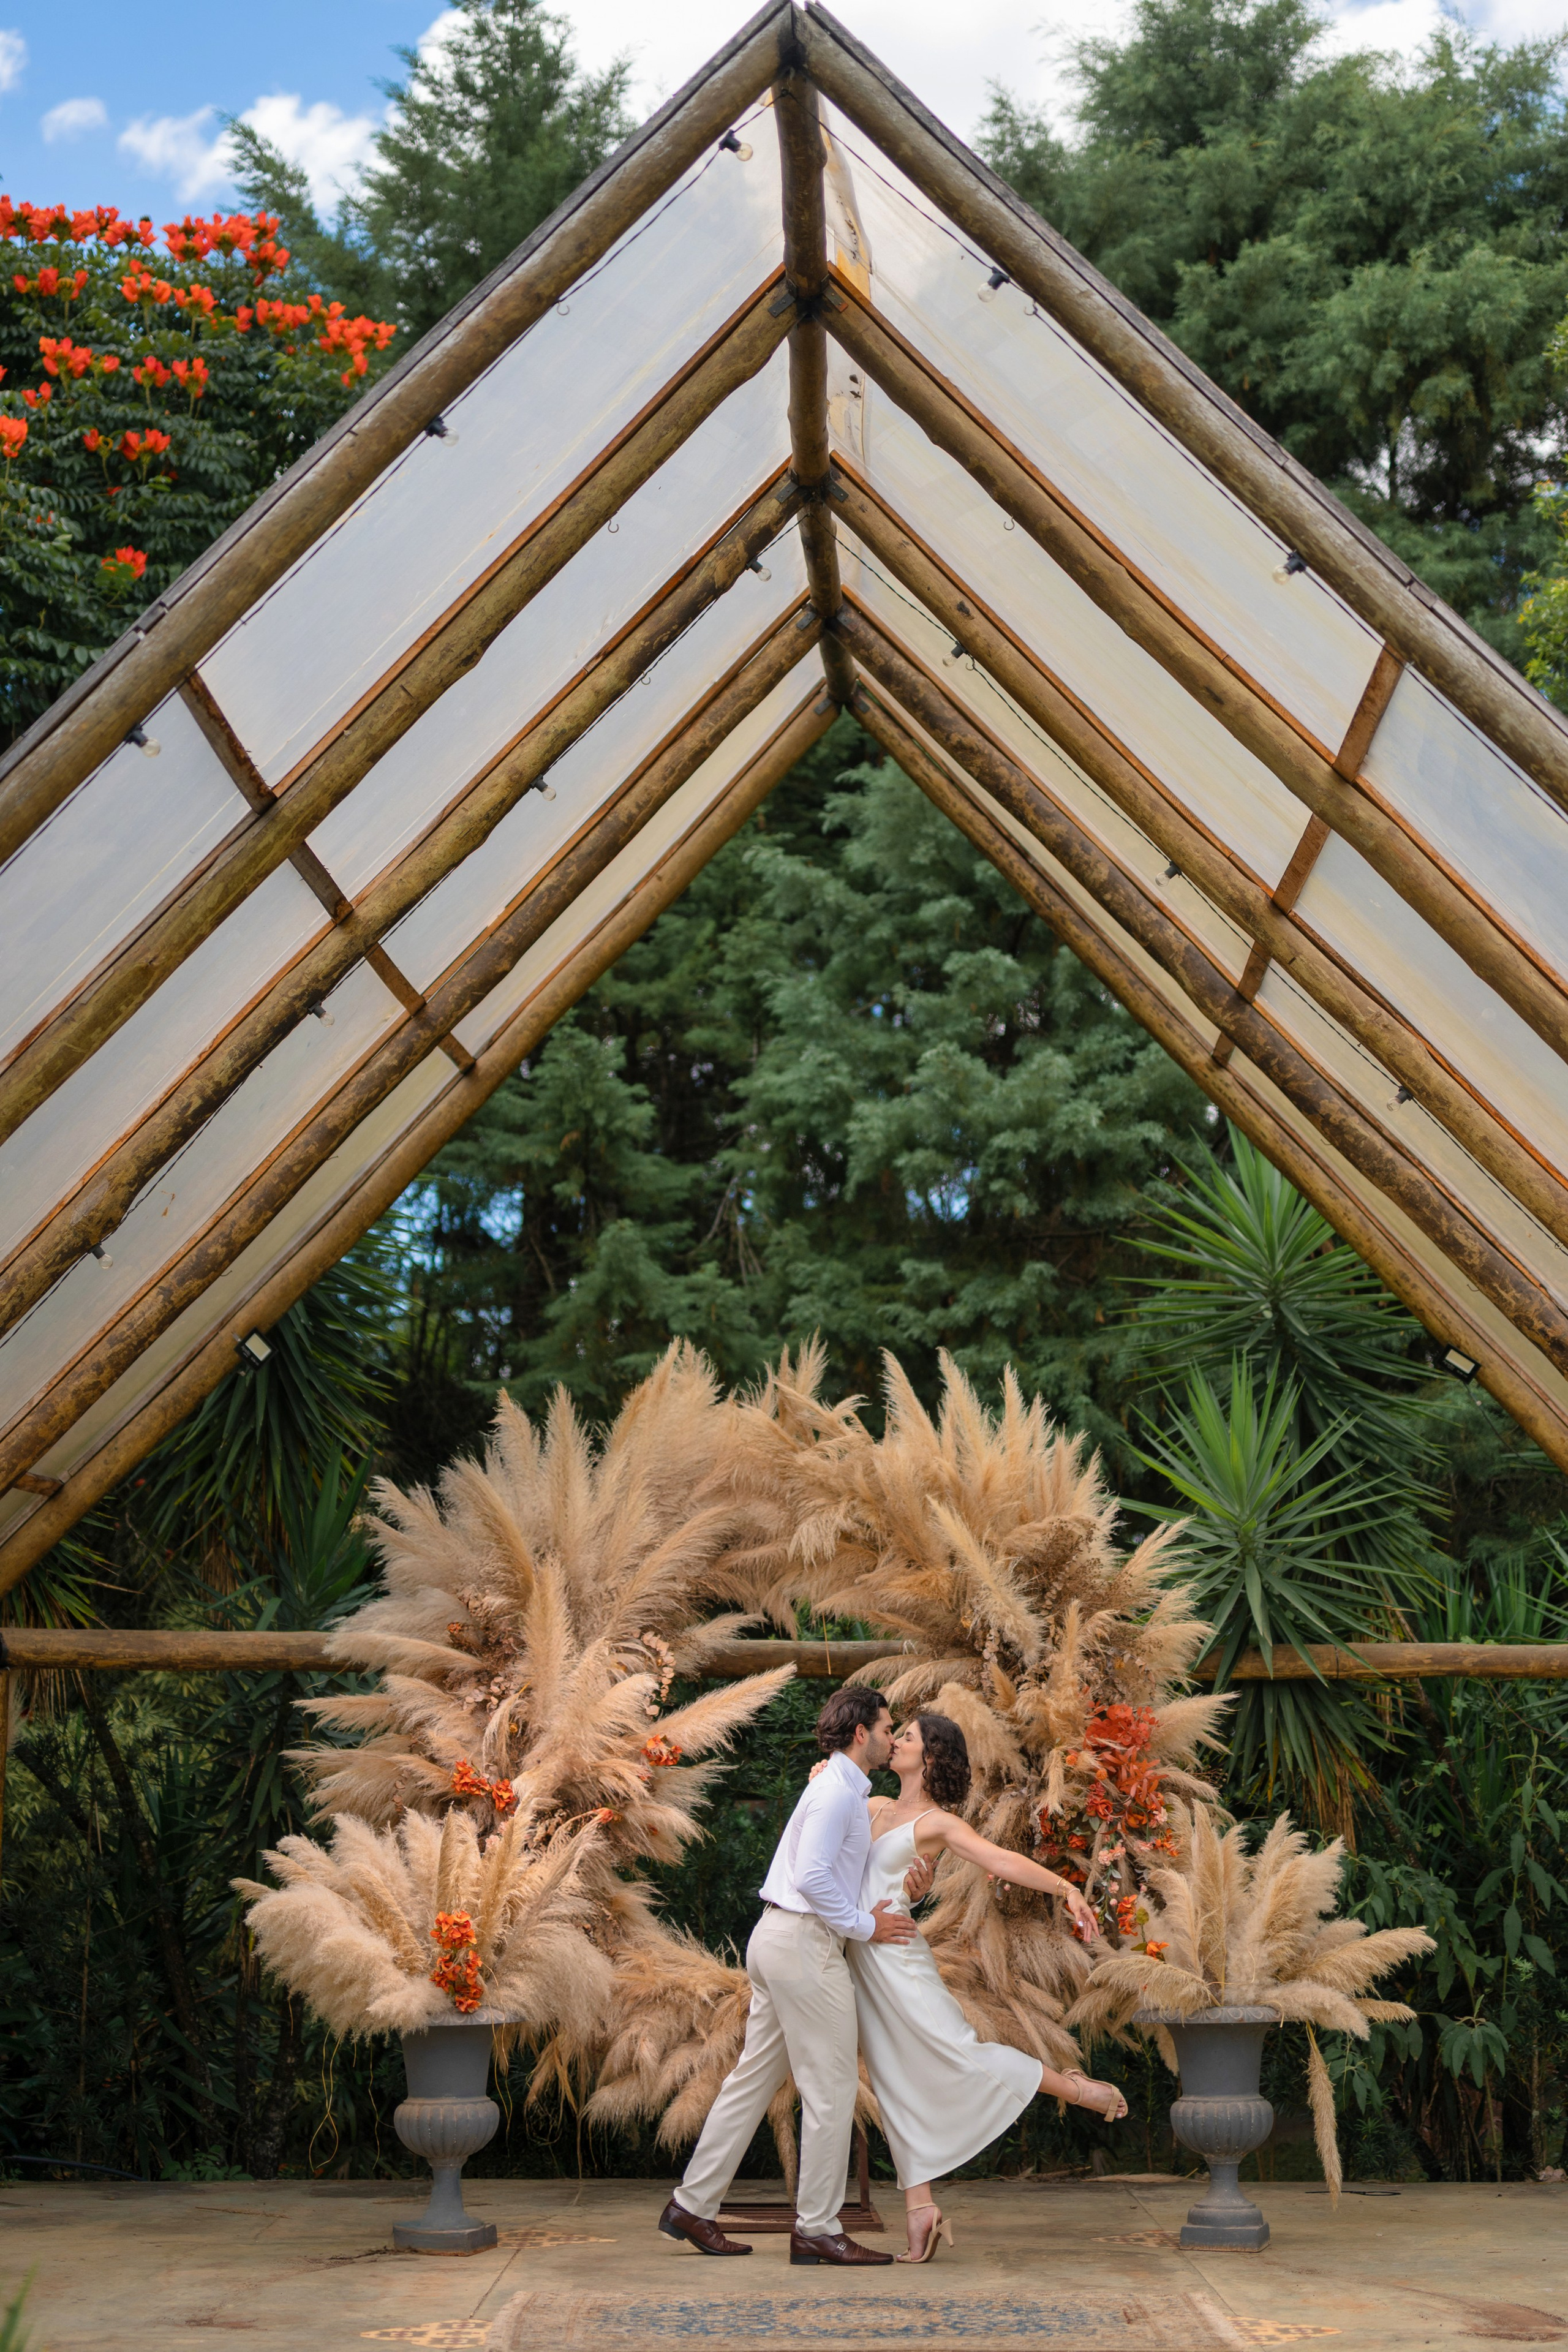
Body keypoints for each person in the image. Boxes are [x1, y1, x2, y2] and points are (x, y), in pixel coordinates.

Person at [839, 1710, 1129, 2263]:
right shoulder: (870, 1806)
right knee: (894, 2081)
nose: (894, 1741)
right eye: (895, 1733)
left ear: (930, 1757)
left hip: (899, 1961)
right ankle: (920, 2210)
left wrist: (1065, 1888)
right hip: (860, 1960)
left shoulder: (938, 1824)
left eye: (907, 1737)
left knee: (960, 2053)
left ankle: (1077, 2091)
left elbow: (999, 1860)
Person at [657, 1687, 924, 2268]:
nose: (889, 1736)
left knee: (752, 2081)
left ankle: (692, 2205)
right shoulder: (835, 1793)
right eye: (885, 1727)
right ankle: (818, 2229)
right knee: (830, 2091)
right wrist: (863, 1926)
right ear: (862, 1733)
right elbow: (811, 1877)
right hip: (804, 1945)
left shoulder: (834, 1787)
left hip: (779, 1940)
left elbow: (828, 1870)